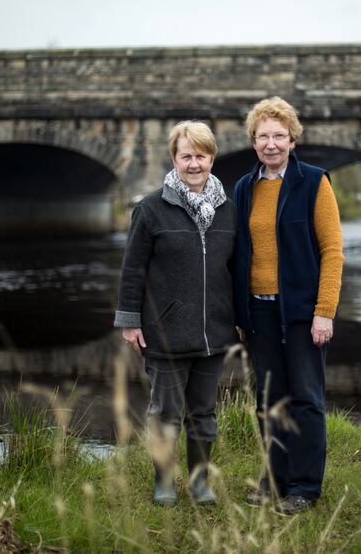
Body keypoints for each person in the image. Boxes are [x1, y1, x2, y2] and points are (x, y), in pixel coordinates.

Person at [114, 121, 236, 506]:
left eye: (201, 156)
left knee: (204, 415)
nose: (194, 164)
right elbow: (132, 270)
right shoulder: (150, 209)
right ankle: (163, 483)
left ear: (212, 159)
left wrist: (239, 318)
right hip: (164, 332)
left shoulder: (228, 211)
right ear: (174, 158)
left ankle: (200, 484)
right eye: (187, 156)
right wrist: (130, 321)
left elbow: (237, 270)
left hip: (213, 333)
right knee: (165, 414)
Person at [233, 96, 344, 515]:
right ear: (253, 142)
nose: (272, 143)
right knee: (268, 400)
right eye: (263, 136)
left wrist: (324, 311)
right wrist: (240, 314)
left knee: (306, 399)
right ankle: (274, 480)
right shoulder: (245, 187)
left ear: (293, 140)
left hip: (302, 312)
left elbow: (333, 251)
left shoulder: (315, 182)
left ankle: (304, 487)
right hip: (259, 312)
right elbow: (240, 252)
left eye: (280, 135)